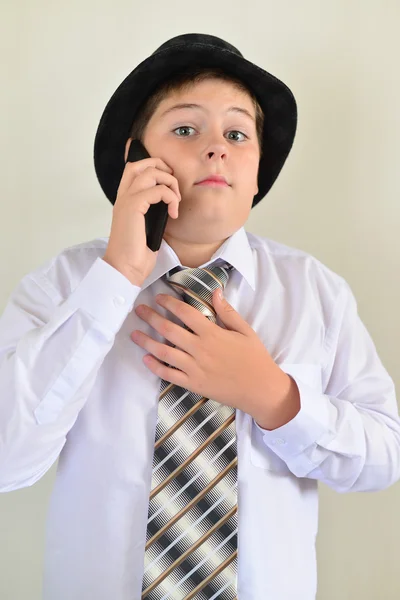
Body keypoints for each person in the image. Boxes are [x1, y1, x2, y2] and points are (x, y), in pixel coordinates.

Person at [0, 32, 399, 600]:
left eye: (238, 134)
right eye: (186, 129)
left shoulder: (315, 292)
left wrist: (275, 399)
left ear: (259, 173)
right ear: (134, 158)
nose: (217, 148)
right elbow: (6, 459)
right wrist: (113, 279)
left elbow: (384, 457)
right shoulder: (63, 285)